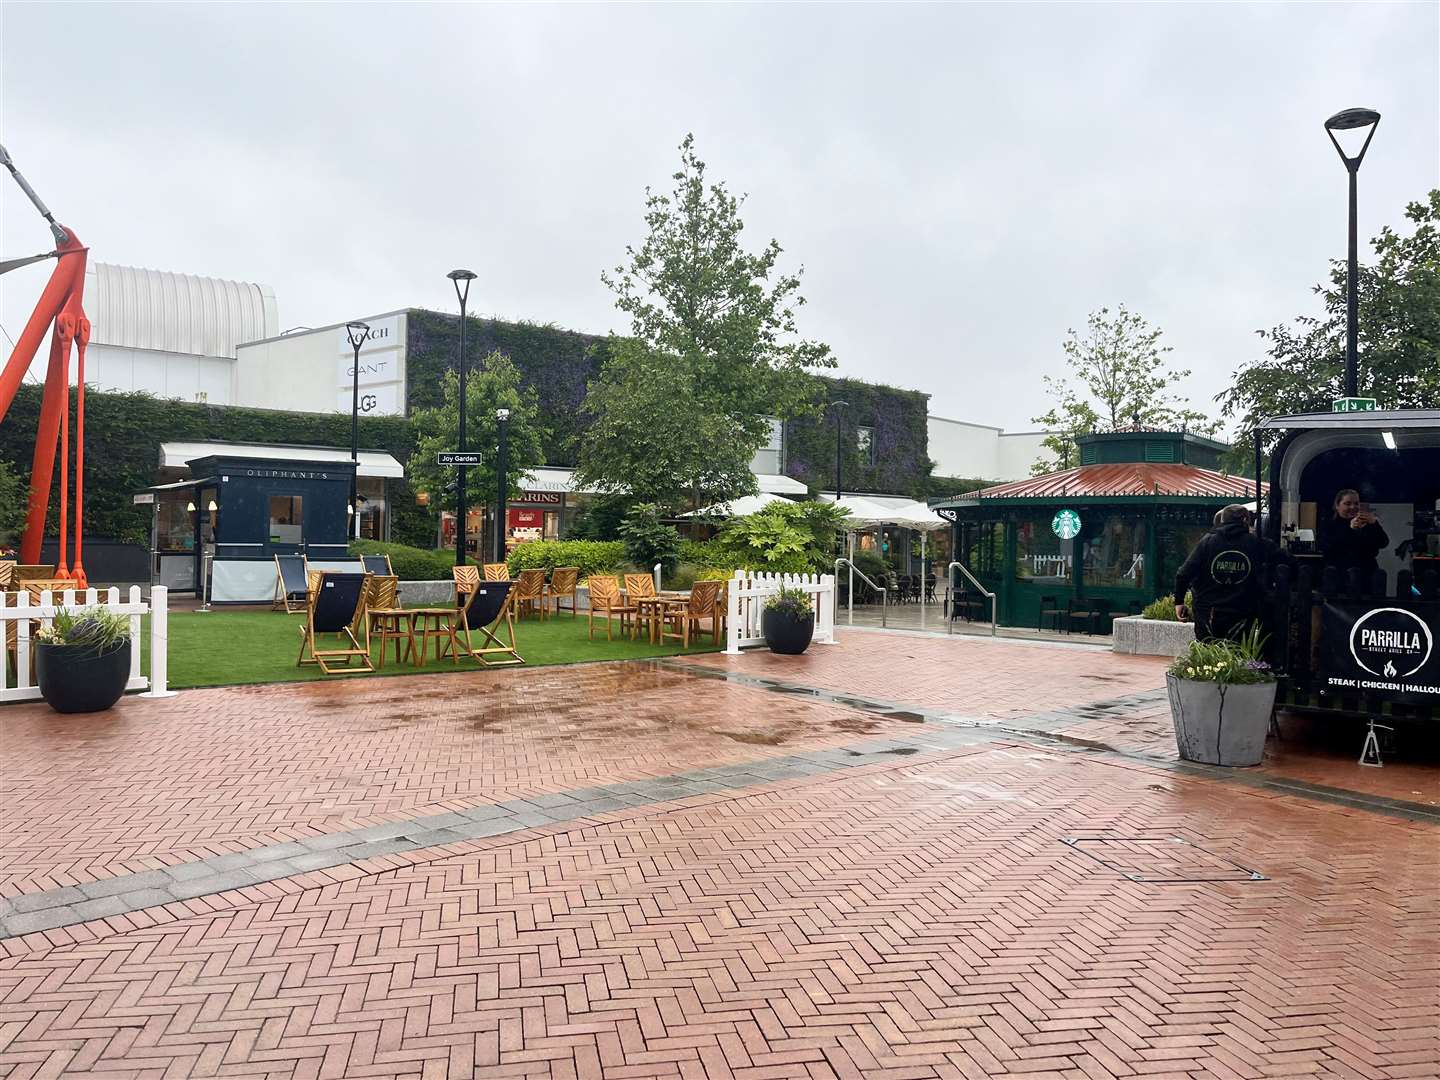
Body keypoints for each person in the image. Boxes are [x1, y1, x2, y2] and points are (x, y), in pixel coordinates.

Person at [1174, 504, 1276, 642]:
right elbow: (1289, 561)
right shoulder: (1257, 543)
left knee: (1208, 655)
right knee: (1238, 654)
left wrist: (1179, 602)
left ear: (1222, 520)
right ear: (1245, 520)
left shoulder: (1207, 542)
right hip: (1242, 613)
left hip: (1208, 613)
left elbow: (1183, 574)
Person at [1319, 488, 1388, 577]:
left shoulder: (1365, 523)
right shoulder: (1329, 525)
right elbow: (1328, 547)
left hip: (1367, 575)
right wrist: (1350, 529)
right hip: (1340, 575)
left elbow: (1383, 542)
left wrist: (1374, 524)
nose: (1353, 507)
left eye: (1356, 503)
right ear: (1337, 505)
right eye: (1347, 504)